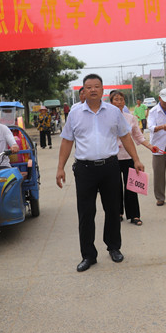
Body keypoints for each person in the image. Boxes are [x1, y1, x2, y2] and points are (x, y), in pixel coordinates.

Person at [56, 74, 145, 272]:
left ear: (103, 90)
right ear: (83, 91)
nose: (93, 90)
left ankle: (114, 247)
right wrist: (60, 167)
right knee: (86, 213)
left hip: (110, 167)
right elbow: (67, 141)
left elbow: (126, 136)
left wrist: (136, 159)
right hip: (84, 169)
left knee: (113, 209)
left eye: (97, 86)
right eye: (89, 87)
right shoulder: (75, 113)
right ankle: (88, 255)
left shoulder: (114, 112)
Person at [110, 90, 158, 226]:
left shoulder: (130, 118)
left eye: (121, 99)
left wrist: (150, 146)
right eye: (116, 99)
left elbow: (138, 136)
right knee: (115, 187)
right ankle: (118, 213)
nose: (119, 102)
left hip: (128, 156)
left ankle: (134, 215)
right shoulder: (106, 119)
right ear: (111, 102)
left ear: (124, 102)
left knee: (131, 186)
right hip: (112, 158)